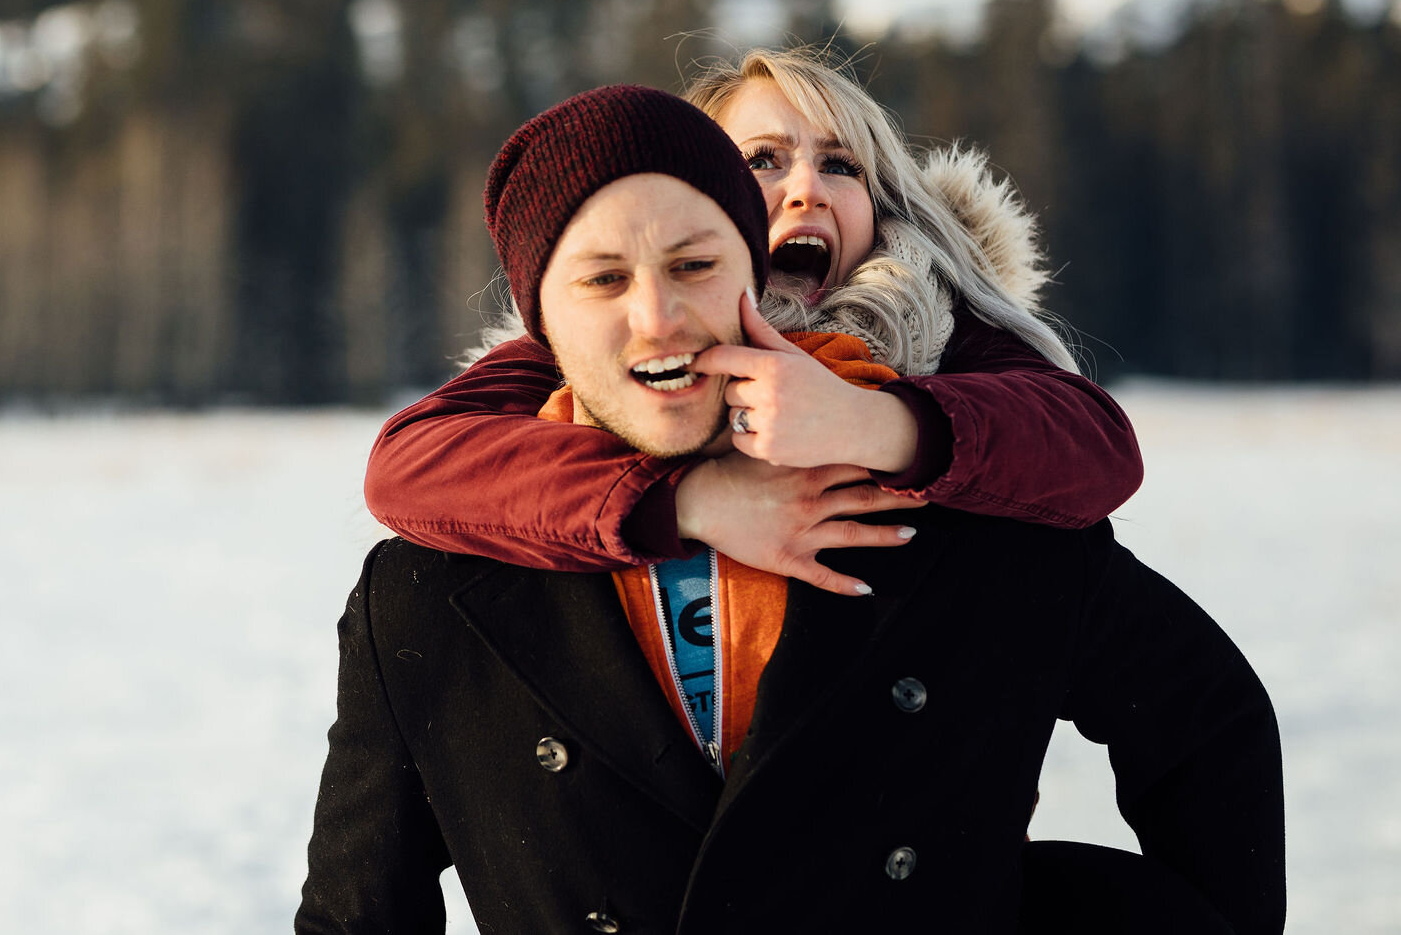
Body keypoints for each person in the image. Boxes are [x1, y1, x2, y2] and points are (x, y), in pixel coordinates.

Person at [296, 85, 1283, 933]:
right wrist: (683, 499)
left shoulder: (969, 510)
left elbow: (1201, 717)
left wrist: (878, 427)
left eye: (692, 263)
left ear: (746, 269)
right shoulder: (435, 583)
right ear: (540, 317)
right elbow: (356, 911)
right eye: (603, 276)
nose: (654, 313)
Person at [365, 46, 1142, 591]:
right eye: (763, 160)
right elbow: (411, 465)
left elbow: (1099, 450)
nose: (807, 188)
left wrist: (872, 423)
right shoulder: (612, 344)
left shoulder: (932, 319)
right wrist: (693, 501)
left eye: (841, 165)